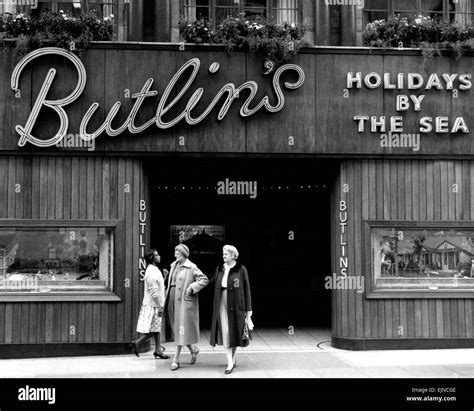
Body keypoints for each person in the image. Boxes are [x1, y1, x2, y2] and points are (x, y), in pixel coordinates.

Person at [161, 244, 209, 371]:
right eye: (175, 250)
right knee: (177, 328)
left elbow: (204, 279)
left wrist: (191, 288)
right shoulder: (173, 265)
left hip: (183, 301)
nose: (175, 253)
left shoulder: (191, 267)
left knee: (180, 329)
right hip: (172, 299)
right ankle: (193, 350)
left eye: (177, 251)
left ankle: (175, 359)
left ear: (183, 254)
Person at [210, 245, 252, 374]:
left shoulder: (241, 269)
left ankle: (232, 359)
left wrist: (248, 310)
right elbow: (212, 281)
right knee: (226, 333)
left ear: (233, 255)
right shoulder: (220, 269)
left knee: (234, 333)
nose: (223, 255)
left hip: (237, 304)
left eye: (226, 253)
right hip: (222, 302)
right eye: (223, 253)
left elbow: (246, 289)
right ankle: (230, 363)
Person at [128, 249, 169, 359]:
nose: (159, 256)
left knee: (156, 328)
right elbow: (153, 291)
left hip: (155, 304)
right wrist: (159, 305)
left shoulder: (154, 269)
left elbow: (158, 287)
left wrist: (164, 277)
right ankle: (138, 342)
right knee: (155, 329)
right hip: (154, 305)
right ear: (152, 258)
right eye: (156, 255)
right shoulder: (151, 272)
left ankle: (157, 350)